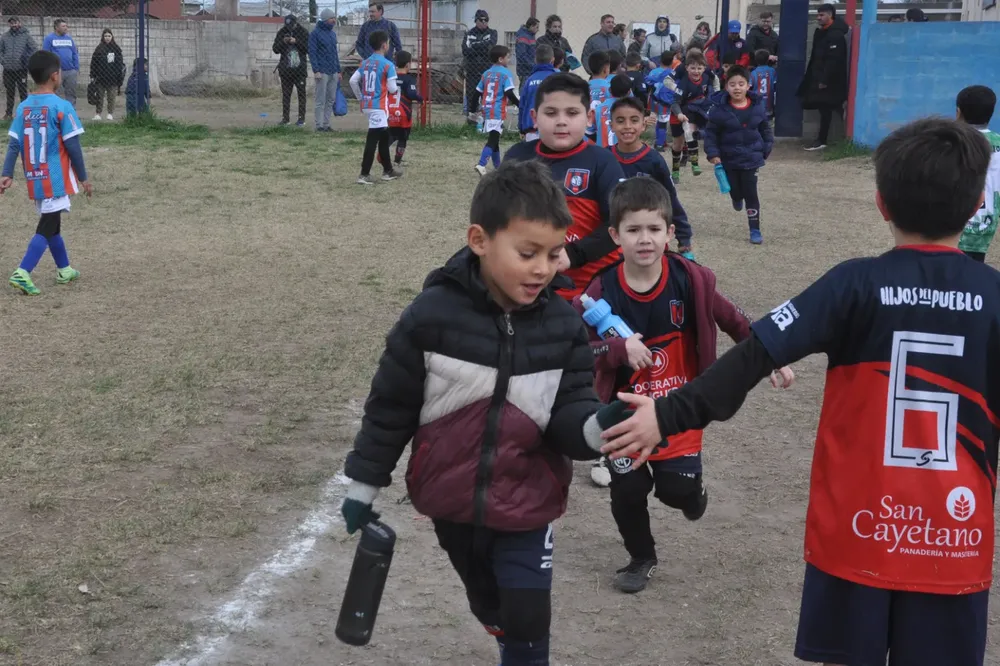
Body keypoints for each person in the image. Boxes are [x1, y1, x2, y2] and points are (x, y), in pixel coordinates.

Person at [600, 117, 996, 666]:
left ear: (881, 203)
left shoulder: (853, 283)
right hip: (952, 539)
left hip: (856, 531)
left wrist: (666, 414)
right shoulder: (994, 298)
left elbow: (753, 356)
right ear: (978, 204)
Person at [339, 159, 627, 666]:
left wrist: (596, 426)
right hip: (450, 502)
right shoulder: (431, 316)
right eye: (527, 253)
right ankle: (501, 628)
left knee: (528, 616)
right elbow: (391, 407)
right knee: (492, 605)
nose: (544, 268)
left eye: (555, 254)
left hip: (528, 498)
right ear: (479, 240)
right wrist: (364, 484)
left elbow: (571, 411)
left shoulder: (563, 326)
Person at [573, 177, 792, 592]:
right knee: (628, 491)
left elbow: (735, 321)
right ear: (615, 236)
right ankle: (641, 557)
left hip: (679, 406)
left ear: (670, 233)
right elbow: (582, 352)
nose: (644, 239)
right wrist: (619, 348)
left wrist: (771, 358)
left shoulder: (690, 279)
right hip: (626, 413)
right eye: (633, 230)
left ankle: (693, 493)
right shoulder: (600, 289)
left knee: (675, 492)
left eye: (654, 229)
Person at [504, 73, 627, 487]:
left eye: (572, 113)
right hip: (532, 287)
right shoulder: (518, 156)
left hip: (590, 294)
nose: (562, 122)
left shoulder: (602, 162)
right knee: (527, 366)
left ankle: (602, 443)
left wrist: (571, 255)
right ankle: (523, 443)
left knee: (592, 371)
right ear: (534, 116)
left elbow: (616, 222)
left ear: (588, 117)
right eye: (551, 113)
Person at [1, 50, 90, 296]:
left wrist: (6, 172)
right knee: (47, 224)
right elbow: (73, 146)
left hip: (35, 177)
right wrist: (83, 177)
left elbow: (14, 143)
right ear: (54, 76)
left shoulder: (24, 108)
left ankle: (64, 269)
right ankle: (23, 271)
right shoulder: (62, 107)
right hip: (56, 177)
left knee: (53, 224)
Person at [609, 97, 694, 258]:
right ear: (611, 125)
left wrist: (684, 238)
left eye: (634, 120)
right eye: (620, 121)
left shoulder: (654, 161)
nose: (627, 126)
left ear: (643, 125)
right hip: (613, 243)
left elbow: (670, 198)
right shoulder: (604, 158)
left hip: (647, 241)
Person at [705, 65, 773, 245]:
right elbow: (711, 134)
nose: (737, 88)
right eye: (732, 84)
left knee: (751, 193)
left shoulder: (757, 106)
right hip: (728, 158)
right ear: (726, 87)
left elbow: (765, 128)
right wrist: (713, 153)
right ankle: (736, 197)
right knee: (735, 189)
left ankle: (755, 229)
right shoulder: (719, 110)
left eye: (741, 84)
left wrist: (766, 147)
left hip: (751, 158)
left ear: (748, 85)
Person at [350, 30, 402, 185]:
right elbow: (392, 89)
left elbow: (353, 81)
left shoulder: (365, 62)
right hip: (378, 106)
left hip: (368, 104)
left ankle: (388, 170)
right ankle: (364, 174)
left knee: (384, 136)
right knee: (372, 139)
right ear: (385, 45)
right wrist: (395, 89)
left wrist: (361, 97)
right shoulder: (388, 64)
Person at [957, 85, 1000, 262]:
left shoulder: (953, 141)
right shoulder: (998, 143)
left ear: (958, 113)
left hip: (952, 223)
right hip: (986, 223)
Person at [798, 3, 849, 151]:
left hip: (830, 81)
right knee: (824, 108)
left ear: (830, 15)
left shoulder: (835, 35)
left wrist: (824, 80)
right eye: (818, 15)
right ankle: (823, 139)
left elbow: (834, 60)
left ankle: (823, 140)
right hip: (820, 78)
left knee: (828, 108)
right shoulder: (822, 32)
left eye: (822, 15)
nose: (819, 18)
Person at [669, 51, 719, 182]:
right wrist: (679, 114)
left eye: (699, 68)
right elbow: (674, 103)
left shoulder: (708, 77)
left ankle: (695, 164)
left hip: (694, 111)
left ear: (704, 68)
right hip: (678, 112)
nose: (696, 71)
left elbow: (716, 82)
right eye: (692, 68)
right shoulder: (683, 84)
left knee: (690, 132)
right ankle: (675, 171)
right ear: (686, 68)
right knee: (678, 145)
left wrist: (716, 96)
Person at [470, 45, 518, 177]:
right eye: (508, 57)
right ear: (501, 59)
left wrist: (472, 109)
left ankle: (498, 168)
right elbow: (509, 93)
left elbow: (476, 93)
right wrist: (520, 104)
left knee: (495, 138)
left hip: (487, 109)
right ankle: (481, 164)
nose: (509, 59)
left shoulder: (486, 74)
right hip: (497, 111)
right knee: (493, 139)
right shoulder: (506, 73)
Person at [385, 50, 422, 167]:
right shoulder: (409, 79)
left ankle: (382, 152)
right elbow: (411, 94)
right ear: (408, 65)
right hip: (403, 113)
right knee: (403, 137)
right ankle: (397, 160)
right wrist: (420, 98)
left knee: (391, 135)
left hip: (390, 111)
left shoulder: (390, 77)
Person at [308, 9, 342, 133]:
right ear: (325, 19)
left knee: (331, 99)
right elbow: (312, 53)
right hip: (322, 71)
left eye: (334, 18)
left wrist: (338, 70)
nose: (334, 20)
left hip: (333, 70)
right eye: (331, 18)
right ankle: (319, 125)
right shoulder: (315, 34)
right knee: (320, 99)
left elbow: (335, 54)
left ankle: (327, 124)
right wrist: (316, 70)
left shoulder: (333, 34)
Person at [273, 15, 309, 127]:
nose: (289, 28)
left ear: (296, 23)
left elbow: (308, 48)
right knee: (286, 95)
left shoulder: (303, 32)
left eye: (291, 25)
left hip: (299, 70)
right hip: (285, 70)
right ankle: (285, 119)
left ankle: (301, 119)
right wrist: (283, 41)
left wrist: (296, 41)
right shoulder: (282, 32)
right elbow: (275, 49)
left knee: (301, 95)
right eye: (287, 25)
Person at [518, 43, 558, 142]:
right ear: (552, 60)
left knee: (532, 156)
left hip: (531, 128)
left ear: (535, 60)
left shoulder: (529, 80)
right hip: (552, 128)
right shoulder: (557, 78)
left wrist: (521, 127)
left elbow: (522, 105)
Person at [462, 10, 498, 119]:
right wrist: (482, 47)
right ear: (476, 21)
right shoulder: (469, 34)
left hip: (487, 70)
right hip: (472, 71)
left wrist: (474, 45)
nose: (484, 22)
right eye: (481, 20)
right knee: (472, 96)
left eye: (486, 20)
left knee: (487, 97)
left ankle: (487, 120)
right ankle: (471, 120)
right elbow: (465, 51)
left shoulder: (492, 32)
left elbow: (490, 47)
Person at [1, 17, 36, 121]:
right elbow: (0, 50)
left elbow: (34, 49)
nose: (14, 25)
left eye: (15, 22)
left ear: (19, 23)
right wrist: (3, 60)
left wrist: (26, 59)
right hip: (8, 70)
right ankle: (8, 114)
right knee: (9, 92)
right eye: (11, 23)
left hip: (21, 69)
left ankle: (25, 113)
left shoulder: (26, 36)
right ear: (9, 25)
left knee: (23, 92)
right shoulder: (5, 37)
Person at [89, 28, 124, 122]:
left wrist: (119, 78)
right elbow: (94, 63)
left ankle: (110, 113)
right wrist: (93, 75)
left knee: (111, 97)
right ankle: (98, 113)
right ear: (103, 37)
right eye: (105, 36)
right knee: (99, 96)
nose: (107, 38)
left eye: (109, 36)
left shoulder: (116, 49)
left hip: (112, 78)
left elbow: (119, 64)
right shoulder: (99, 48)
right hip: (100, 77)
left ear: (112, 37)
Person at [646, 51, 677, 153]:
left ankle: (659, 141)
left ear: (660, 60)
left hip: (653, 100)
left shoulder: (654, 72)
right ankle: (660, 144)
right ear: (672, 61)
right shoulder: (672, 73)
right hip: (665, 103)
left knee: (658, 121)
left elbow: (648, 83)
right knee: (663, 123)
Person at [43, 19, 78, 107]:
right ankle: (56, 111)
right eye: (63, 26)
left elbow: (74, 53)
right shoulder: (49, 38)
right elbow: (45, 54)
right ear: (56, 28)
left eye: (66, 26)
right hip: (56, 71)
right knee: (56, 93)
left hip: (70, 71)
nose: (66, 28)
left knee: (71, 92)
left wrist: (76, 68)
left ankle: (70, 111)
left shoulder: (69, 38)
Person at [592, 74, 631, 149]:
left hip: (602, 152)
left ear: (609, 90)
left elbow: (590, 131)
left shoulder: (599, 108)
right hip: (624, 152)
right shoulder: (632, 109)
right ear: (629, 92)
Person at [584, 51, 612, 143]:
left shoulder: (583, 88)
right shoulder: (609, 88)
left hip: (587, 129)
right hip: (604, 128)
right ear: (605, 69)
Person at [749, 49, 776, 118]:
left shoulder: (753, 73)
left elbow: (749, 88)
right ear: (768, 60)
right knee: (769, 124)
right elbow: (776, 86)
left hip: (757, 105)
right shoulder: (772, 71)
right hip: (769, 104)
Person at [515, 17, 539, 85]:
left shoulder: (531, 36)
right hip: (525, 70)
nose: (538, 30)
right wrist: (532, 65)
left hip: (529, 69)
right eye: (536, 27)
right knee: (524, 88)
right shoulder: (523, 37)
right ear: (531, 26)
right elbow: (521, 55)